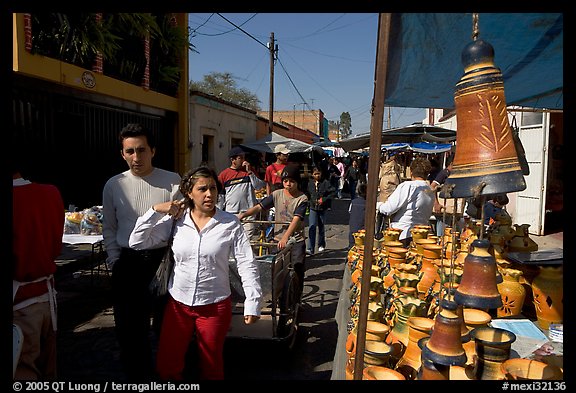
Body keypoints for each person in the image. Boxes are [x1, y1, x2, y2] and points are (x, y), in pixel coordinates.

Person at [129, 166, 262, 380]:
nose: (209, 194)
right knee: (168, 365)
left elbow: (247, 262)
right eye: (202, 189)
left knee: (211, 366)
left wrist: (252, 302)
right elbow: (136, 242)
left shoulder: (229, 223)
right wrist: (156, 210)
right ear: (189, 193)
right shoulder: (176, 221)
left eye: (213, 188)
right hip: (178, 305)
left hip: (215, 306)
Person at [102, 123, 182, 380]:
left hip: (163, 262)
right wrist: (115, 261)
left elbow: (181, 224)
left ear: (153, 151)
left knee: (166, 327)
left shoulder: (172, 180)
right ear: (122, 154)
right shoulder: (114, 185)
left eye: (141, 150)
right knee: (129, 330)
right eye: (130, 151)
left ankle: (166, 375)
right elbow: (109, 227)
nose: (136, 157)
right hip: (128, 263)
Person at [13, 157, 64, 380]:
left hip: (19, 303)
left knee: (23, 372)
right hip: (45, 297)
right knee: (47, 369)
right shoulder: (50, 193)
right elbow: (55, 246)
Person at [239, 164, 309, 297]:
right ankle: (277, 296)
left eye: (292, 181)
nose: (288, 184)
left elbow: (296, 219)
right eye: (285, 181)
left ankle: (297, 299)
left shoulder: (302, 199)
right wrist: (243, 215)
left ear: (297, 182)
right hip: (277, 238)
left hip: (296, 239)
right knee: (275, 270)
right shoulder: (277, 194)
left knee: (297, 268)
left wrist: (286, 237)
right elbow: (260, 207)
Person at [376, 157, 435, 247]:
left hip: (402, 234)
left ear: (411, 172)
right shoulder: (429, 190)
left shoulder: (408, 186)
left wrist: (378, 205)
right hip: (420, 235)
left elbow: (389, 209)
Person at [218, 146, 266, 241]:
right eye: (240, 158)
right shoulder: (224, 175)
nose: (243, 160)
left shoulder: (250, 171)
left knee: (247, 241)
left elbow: (259, 186)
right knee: (232, 240)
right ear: (233, 160)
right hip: (231, 213)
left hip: (249, 212)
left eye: (244, 157)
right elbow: (220, 196)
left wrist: (250, 172)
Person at [305, 166, 336, 255]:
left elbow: (333, 192)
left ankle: (321, 244)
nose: (317, 175)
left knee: (321, 226)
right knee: (312, 227)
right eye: (315, 174)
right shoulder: (309, 183)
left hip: (323, 208)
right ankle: (310, 248)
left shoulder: (326, 183)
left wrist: (324, 199)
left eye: (318, 173)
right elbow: (307, 193)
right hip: (312, 207)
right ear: (312, 174)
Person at [375, 152, 401, 239]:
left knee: (382, 211)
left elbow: (379, 176)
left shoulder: (385, 166)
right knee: (389, 211)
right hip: (390, 187)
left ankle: (379, 231)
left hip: (385, 186)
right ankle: (384, 230)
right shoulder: (394, 166)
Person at [348, 182, 368, 249]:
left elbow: (350, 211)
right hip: (363, 228)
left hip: (353, 227)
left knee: (352, 245)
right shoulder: (368, 203)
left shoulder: (353, 202)